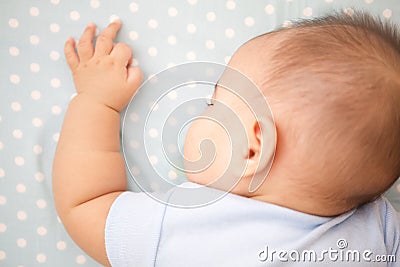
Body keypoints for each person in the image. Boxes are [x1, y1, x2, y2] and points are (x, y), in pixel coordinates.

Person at [53, 11, 400, 266]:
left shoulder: (180, 226)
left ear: (251, 148)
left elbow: (85, 204)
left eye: (212, 103)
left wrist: (96, 101)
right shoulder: (381, 231)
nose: (201, 112)